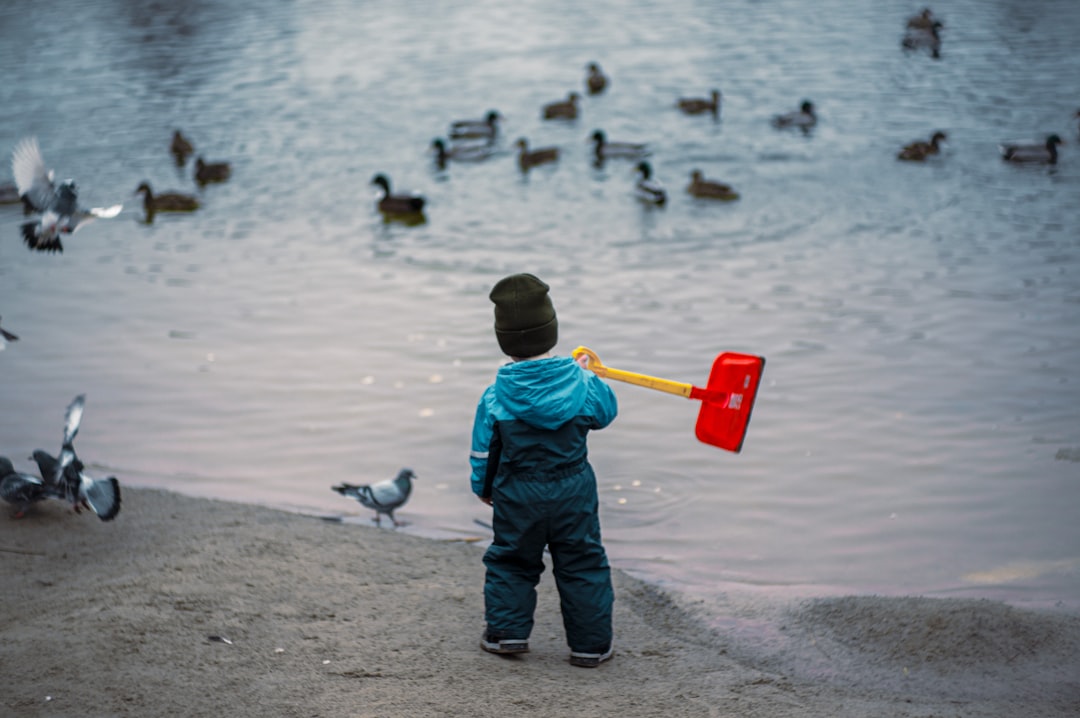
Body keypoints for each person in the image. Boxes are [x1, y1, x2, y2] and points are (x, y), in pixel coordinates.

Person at [469, 273, 619, 668]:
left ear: (504, 339)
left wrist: (483, 489)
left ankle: (507, 634)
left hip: (517, 491)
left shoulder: (495, 394)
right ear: (551, 332)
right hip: (573, 486)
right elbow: (605, 414)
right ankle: (591, 647)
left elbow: (483, 452)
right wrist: (589, 375)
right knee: (583, 562)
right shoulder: (583, 383)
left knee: (511, 561)